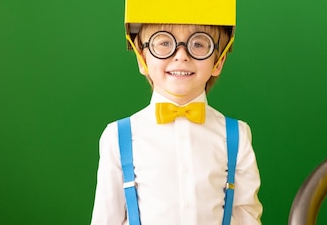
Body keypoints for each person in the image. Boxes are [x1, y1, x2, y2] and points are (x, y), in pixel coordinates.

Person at [90, 22, 263, 224]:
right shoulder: (117, 136)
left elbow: (247, 217)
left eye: (198, 44)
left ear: (219, 61)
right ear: (141, 58)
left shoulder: (237, 135)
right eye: (164, 42)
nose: (181, 55)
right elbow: (106, 219)